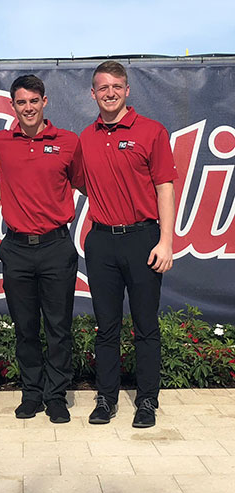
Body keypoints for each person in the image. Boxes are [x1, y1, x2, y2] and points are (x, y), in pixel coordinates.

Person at [80, 61, 177, 428]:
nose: (109, 93)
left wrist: (166, 241)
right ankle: (106, 398)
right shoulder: (85, 138)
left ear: (127, 90)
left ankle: (147, 401)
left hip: (143, 239)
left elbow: (164, 187)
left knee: (145, 325)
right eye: (102, 87)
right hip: (101, 241)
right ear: (92, 93)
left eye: (116, 86)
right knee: (106, 327)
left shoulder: (151, 131)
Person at [0, 75, 84, 424]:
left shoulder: (68, 142)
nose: (28, 107)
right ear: (13, 106)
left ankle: (56, 396)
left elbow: (82, 180)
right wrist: (12, 198)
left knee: (58, 326)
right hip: (17, 247)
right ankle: (32, 393)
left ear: (45, 102)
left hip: (56, 245)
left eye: (33, 101)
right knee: (25, 326)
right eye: (21, 102)